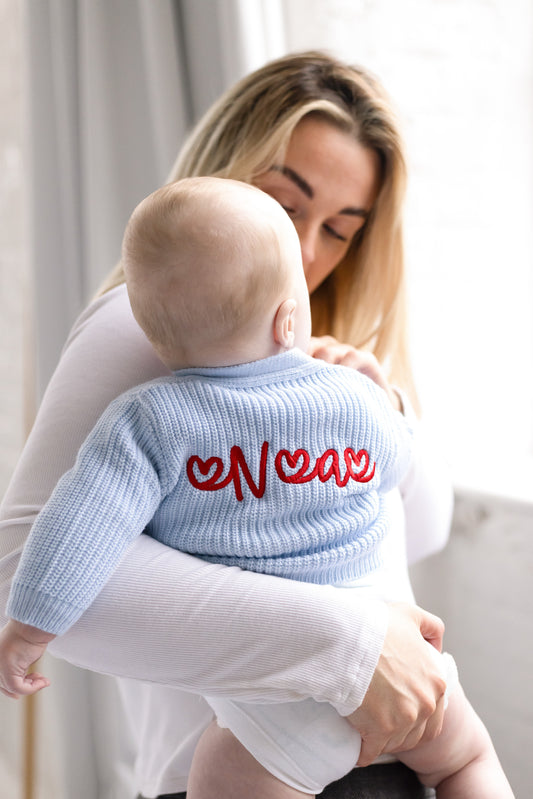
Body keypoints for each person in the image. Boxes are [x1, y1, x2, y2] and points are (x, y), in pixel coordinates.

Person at [0, 51, 458, 799]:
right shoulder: (142, 328)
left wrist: (382, 401)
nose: (308, 253)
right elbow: (24, 564)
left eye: (340, 229)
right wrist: (350, 642)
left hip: (376, 757)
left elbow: (422, 531)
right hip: (229, 774)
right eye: (285, 206)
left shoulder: (321, 364)